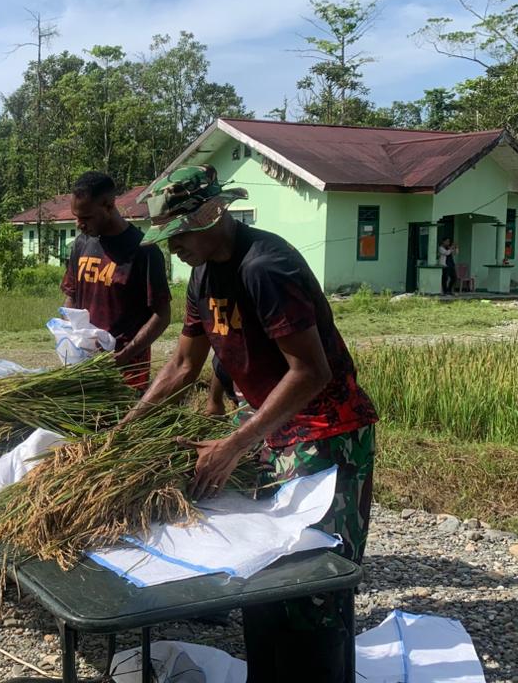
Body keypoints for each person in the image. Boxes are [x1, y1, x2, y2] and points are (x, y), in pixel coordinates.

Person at [126, 166, 378, 682]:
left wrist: (234, 443)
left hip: (324, 435)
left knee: (314, 581)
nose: (173, 249)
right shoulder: (201, 275)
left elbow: (311, 372)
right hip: (267, 430)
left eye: (178, 235)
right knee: (262, 570)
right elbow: (181, 366)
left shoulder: (266, 266)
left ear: (211, 214)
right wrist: (125, 429)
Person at [62, 171, 171, 391]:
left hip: (127, 370)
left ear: (109, 206)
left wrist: (125, 355)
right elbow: (71, 296)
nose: (78, 224)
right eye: (76, 216)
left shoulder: (144, 251)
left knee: (122, 424)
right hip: (84, 362)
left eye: (85, 217)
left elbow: (162, 316)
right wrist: (69, 338)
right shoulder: (82, 244)